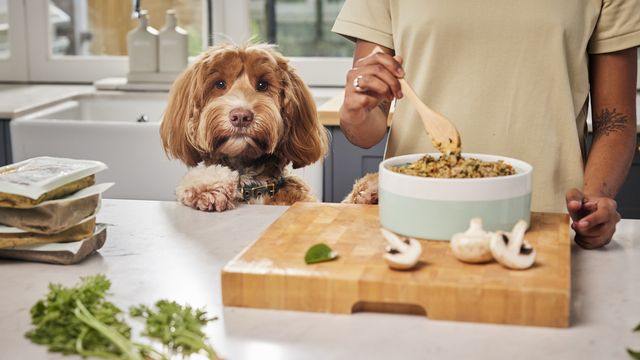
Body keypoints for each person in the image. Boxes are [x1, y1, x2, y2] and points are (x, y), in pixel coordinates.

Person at [332, 0, 640, 249]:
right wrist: (355, 112)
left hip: (545, 225)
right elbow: (365, 127)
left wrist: (592, 204)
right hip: (417, 218)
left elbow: (615, 119)